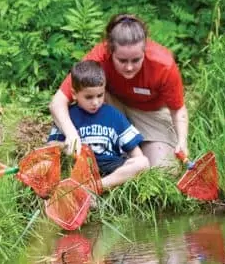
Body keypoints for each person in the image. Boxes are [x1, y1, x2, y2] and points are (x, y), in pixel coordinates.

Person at [49, 14, 189, 168]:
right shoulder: (99, 57)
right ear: (110, 51)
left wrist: (182, 142)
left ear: (145, 50)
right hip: (111, 106)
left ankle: (135, 150)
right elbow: (58, 102)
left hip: (151, 114)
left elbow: (178, 110)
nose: (129, 67)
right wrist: (71, 134)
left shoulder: (163, 65)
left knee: (163, 170)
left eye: (136, 60)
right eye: (122, 60)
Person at [47, 60, 149, 190]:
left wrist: (135, 166)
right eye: (89, 97)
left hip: (111, 169)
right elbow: (50, 147)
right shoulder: (68, 116)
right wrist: (64, 146)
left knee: (143, 162)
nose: (95, 102)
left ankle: (95, 188)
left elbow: (135, 152)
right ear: (74, 94)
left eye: (100, 95)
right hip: (81, 168)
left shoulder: (113, 114)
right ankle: (85, 191)